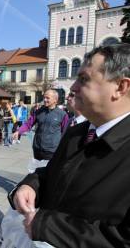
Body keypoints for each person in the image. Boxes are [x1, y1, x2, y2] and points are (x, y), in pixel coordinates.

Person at [9, 44, 130, 247]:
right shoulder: (77, 134)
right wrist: (30, 185)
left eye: (83, 79)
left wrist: (46, 226)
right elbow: (52, 173)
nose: (72, 88)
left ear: (120, 87)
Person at [12, 89, 69, 171]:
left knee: (48, 173)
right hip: (37, 148)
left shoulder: (62, 114)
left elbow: (65, 132)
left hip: (51, 150)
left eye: (47, 98)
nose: (45, 100)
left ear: (55, 100)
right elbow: (28, 124)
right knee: (36, 173)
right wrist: (18, 131)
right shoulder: (38, 111)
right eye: (44, 97)